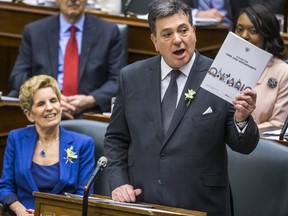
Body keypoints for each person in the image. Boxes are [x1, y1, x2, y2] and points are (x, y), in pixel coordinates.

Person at [104, 0, 259, 215]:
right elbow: (116, 138)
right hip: (143, 203)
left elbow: (244, 146)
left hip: (202, 205)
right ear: (155, 41)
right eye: (167, 34)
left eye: (183, 30)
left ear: (194, 32)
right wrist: (119, 182)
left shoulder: (221, 75)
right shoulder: (131, 77)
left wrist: (242, 119)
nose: (178, 40)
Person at [8, 0, 125, 119]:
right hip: (43, 111)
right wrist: (49, 98)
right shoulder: (35, 31)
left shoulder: (108, 32)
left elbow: (118, 80)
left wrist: (91, 99)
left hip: (90, 112)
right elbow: (18, 77)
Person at [0, 75, 95, 215]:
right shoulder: (16, 138)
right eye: (41, 104)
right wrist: (20, 210)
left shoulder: (83, 144)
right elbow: (5, 186)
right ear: (29, 115)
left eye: (53, 100)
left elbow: (84, 195)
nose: (50, 108)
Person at [234, 4, 288, 131]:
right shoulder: (223, 63)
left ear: (266, 35)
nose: (244, 36)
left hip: (260, 145)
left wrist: (241, 131)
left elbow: (278, 124)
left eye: (253, 31)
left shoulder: (283, 72)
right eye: (239, 29)